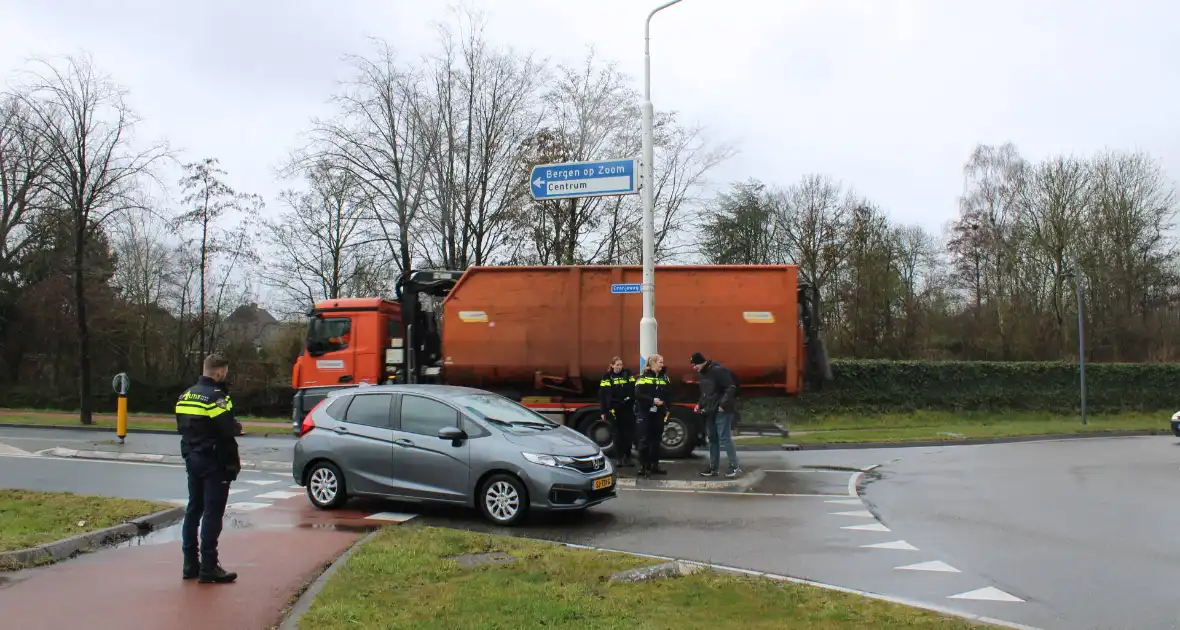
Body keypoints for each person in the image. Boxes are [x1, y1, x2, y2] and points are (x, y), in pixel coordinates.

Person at [176, 353, 242, 584]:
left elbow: (183, 427)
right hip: (215, 461)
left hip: (193, 458)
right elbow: (227, 429)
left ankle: (189, 564)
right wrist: (232, 462)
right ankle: (209, 566)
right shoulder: (217, 397)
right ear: (220, 372)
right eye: (225, 372)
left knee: (193, 509)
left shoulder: (185, 395)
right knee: (212, 514)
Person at [690, 351, 742, 478]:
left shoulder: (717, 371)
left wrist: (723, 405)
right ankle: (713, 468)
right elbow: (706, 394)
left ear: (701, 362)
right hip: (710, 410)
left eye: (694, 364)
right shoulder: (704, 374)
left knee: (724, 438)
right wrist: (699, 404)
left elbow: (730, 387)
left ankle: (734, 467)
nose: (693, 368)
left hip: (722, 410)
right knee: (713, 438)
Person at [633, 354, 670, 478]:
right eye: (660, 362)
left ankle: (654, 465)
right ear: (652, 363)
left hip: (659, 413)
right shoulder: (642, 378)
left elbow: (669, 394)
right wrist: (652, 400)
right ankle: (643, 467)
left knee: (656, 440)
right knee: (644, 440)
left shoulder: (664, 377)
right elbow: (638, 395)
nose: (662, 364)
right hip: (645, 413)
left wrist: (667, 409)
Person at [598, 356, 637, 467]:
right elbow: (603, 395)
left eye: (621, 365)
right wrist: (603, 411)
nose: (619, 367)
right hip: (614, 409)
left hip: (627, 408)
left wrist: (629, 399)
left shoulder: (627, 374)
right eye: (617, 365)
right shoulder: (607, 377)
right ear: (612, 365)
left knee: (628, 434)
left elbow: (633, 388)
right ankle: (619, 458)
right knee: (618, 435)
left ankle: (627, 457)